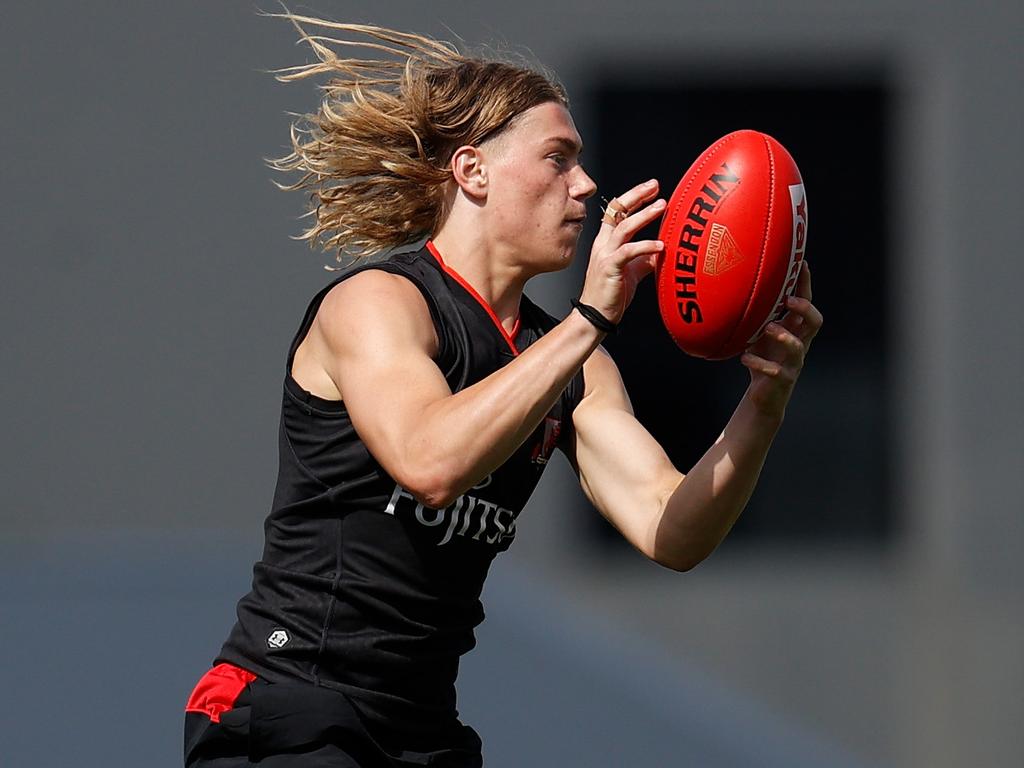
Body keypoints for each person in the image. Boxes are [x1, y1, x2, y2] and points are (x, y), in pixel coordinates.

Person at [183, 12, 822, 768]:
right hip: (292, 704)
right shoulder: (379, 303)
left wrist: (765, 403)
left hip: (422, 731)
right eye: (558, 158)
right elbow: (429, 461)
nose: (585, 185)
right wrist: (591, 317)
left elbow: (669, 528)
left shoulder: (575, 361)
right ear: (472, 172)